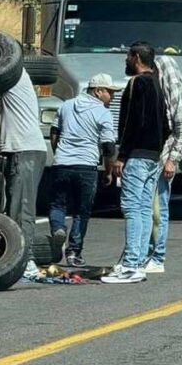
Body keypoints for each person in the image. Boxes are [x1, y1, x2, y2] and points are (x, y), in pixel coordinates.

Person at [102, 42, 166, 284]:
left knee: (131, 208)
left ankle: (130, 264)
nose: (125, 61)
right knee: (143, 208)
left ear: (137, 57)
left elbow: (131, 123)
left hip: (137, 156)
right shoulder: (158, 84)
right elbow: (166, 124)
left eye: (128, 57)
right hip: (153, 156)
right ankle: (138, 262)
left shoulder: (137, 83)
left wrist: (121, 156)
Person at [49, 73, 119, 267]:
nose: (112, 97)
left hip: (62, 163)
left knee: (57, 204)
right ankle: (74, 252)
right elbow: (108, 146)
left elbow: (54, 133)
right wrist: (108, 169)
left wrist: (59, 154)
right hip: (87, 165)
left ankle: (57, 229)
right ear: (98, 91)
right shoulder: (103, 113)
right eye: (110, 92)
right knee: (82, 211)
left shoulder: (66, 105)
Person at [0, 68, 47, 279]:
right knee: (14, 206)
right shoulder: (15, 77)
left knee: (21, 209)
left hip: (24, 149)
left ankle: (25, 261)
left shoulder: (11, 75)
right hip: (24, 148)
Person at [147, 53, 182, 273]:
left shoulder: (175, 89)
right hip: (150, 156)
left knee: (158, 210)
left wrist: (173, 160)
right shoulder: (155, 88)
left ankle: (157, 257)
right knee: (146, 209)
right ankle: (145, 254)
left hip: (165, 158)